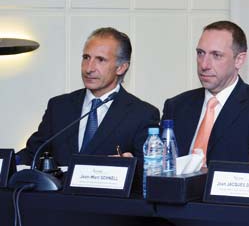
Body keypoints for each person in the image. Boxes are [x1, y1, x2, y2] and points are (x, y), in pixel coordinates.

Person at [17, 27, 159, 167]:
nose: (89, 68)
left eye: (100, 60)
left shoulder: (142, 114)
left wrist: (131, 166)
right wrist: (10, 161)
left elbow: (149, 171)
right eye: (86, 58)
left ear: (121, 67)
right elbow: (32, 154)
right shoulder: (59, 106)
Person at [162, 21, 249, 164]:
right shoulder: (177, 106)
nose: (204, 65)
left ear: (239, 60)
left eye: (216, 55)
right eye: (200, 53)